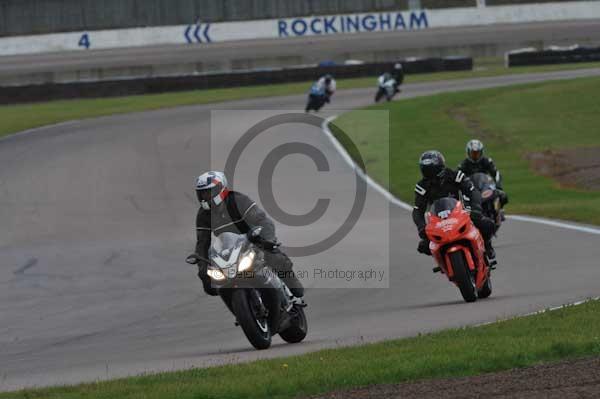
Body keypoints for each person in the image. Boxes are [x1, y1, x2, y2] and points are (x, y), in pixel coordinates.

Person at [187, 171, 304, 297]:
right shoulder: (203, 215)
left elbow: (263, 221)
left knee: (274, 257)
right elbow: (202, 242)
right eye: (201, 193)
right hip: (230, 248)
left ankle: (291, 284)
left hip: (255, 239)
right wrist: (202, 266)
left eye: (208, 192)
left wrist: (268, 240)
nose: (205, 196)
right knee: (210, 278)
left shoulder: (238, 200)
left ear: (221, 188)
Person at [412, 150, 498, 264]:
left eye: (431, 170)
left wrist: (476, 209)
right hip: (438, 220)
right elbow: (418, 209)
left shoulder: (454, 175)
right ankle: (444, 263)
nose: (429, 174)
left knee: (487, 225)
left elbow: (472, 191)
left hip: (460, 212)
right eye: (426, 170)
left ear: (439, 166)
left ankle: (487, 245)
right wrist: (421, 227)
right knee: (423, 246)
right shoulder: (422, 186)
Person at [458, 139, 508, 206]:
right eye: (473, 153)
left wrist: (498, 186)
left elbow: (496, 173)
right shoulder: (464, 164)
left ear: (481, 152)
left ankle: (498, 211)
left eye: (477, 153)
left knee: (502, 196)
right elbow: (457, 176)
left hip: (486, 187)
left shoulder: (487, 161)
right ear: (468, 153)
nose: (475, 156)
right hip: (471, 188)